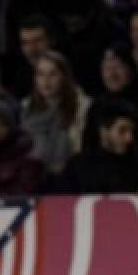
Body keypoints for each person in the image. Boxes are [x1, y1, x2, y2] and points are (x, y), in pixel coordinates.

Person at [20, 51, 89, 182]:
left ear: (64, 77)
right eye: (40, 74)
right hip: (31, 179)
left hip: (70, 179)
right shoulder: (25, 108)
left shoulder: (81, 107)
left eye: (52, 74)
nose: (46, 80)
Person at [62, 101, 138, 193]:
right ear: (103, 131)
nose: (129, 138)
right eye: (122, 131)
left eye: (131, 131)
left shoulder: (137, 167)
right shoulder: (78, 167)